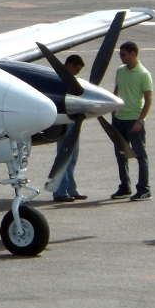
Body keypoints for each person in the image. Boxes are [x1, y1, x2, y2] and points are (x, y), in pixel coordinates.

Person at [111, 41, 153, 201]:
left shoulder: (143, 74)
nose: (121, 57)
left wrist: (140, 120)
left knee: (140, 155)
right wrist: (113, 111)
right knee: (121, 154)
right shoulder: (120, 71)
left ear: (133, 54)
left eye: (123, 54)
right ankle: (125, 186)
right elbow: (116, 91)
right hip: (119, 119)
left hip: (133, 120)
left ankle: (144, 189)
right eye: (120, 54)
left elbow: (148, 100)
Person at [53, 54, 88, 202]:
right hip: (64, 121)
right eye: (76, 70)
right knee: (64, 156)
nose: (77, 73)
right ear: (70, 65)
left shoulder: (72, 80)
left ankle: (71, 189)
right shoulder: (58, 80)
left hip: (73, 121)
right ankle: (60, 191)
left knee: (72, 157)